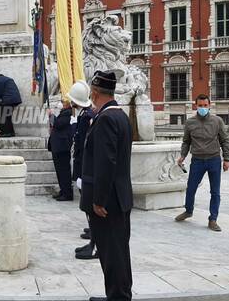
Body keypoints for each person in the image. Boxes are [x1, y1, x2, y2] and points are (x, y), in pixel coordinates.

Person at [82, 70, 133, 301]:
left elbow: (105, 163)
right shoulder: (120, 115)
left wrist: (99, 200)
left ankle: (118, 297)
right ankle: (119, 293)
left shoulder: (105, 119)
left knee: (111, 253)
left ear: (94, 92)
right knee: (119, 251)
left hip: (108, 200)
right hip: (120, 195)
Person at [175, 94, 229, 232]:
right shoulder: (190, 122)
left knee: (215, 192)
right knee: (191, 188)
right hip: (197, 161)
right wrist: (183, 155)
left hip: (214, 160)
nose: (203, 108)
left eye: (205, 105)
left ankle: (213, 219)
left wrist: (227, 159)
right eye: (200, 105)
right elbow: (186, 141)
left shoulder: (217, 121)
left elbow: (225, 140)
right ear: (196, 105)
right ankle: (188, 211)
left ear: (209, 105)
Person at [67, 81, 97, 260]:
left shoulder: (86, 116)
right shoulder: (86, 113)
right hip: (81, 163)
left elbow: (82, 144)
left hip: (83, 164)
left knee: (87, 201)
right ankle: (92, 230)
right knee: (87, 202)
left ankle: (95, 238)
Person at [48, 99, 74, 201]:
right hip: (58, 147)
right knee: (60, 171)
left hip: (62, 147)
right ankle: (63, 190)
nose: (61, 104)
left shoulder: (68, 113)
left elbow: (58, 124)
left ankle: (67, 193)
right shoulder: (64, 113)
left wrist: (51, 115)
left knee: (64, 172)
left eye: (63, 102)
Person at [0, 72, 22, 137]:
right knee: (8, 116)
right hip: (15, 99)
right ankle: (11, 132)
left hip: (8, 100)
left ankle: (7, 133)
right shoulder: (7, 79)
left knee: (3, 116)